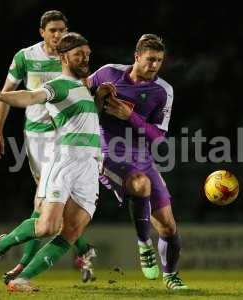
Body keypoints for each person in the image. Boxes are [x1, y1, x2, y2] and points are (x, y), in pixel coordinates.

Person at [0, 32, 100, 293]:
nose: (85, 59)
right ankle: (3, 244)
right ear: (64, 57)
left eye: (87, 55)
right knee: (47, 226)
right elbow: (30, 97)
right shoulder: (58, 85)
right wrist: (2, 96)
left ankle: (20, 279)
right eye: (80, 54)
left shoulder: (84, 88)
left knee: (72, 231)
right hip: (65, 161)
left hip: (89, 166)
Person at [89, 34, 188, 290]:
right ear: (136, 56)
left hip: (141, 157)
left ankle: (171, 276)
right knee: (140, 184)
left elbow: (159, 138)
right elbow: (80, 97)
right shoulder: (107, 73)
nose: (154, 65)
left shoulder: (162, 91)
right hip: (106, 152)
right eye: (150, 59)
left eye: (159, 60)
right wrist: (97, 98)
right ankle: (144, 244)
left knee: (168, 224)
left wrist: (130, 116)